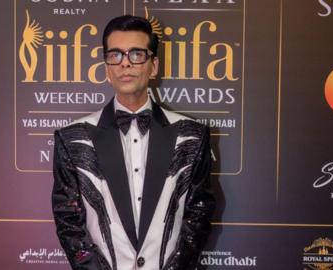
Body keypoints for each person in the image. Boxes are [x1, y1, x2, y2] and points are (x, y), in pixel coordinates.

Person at [52, 15, 215, 270]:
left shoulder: (192, 136)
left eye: (136, 54)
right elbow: (68, 220)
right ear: (107, 68)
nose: (125, 63)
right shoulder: (73, 137)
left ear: (153, 66)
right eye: (115, 55)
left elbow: (199, 216)